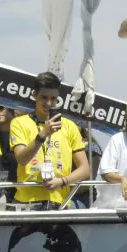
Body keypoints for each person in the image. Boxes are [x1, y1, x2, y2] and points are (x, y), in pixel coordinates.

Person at [10, 72, 89, 208]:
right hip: (27, 201)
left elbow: (85, 169)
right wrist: (43, 134)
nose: (49, 103)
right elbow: (21, 159)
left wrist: (63, 181)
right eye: (44, 97)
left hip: (60, 202)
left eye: (53, 99)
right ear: (34, 95)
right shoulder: (19, 123)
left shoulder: (69, 126)